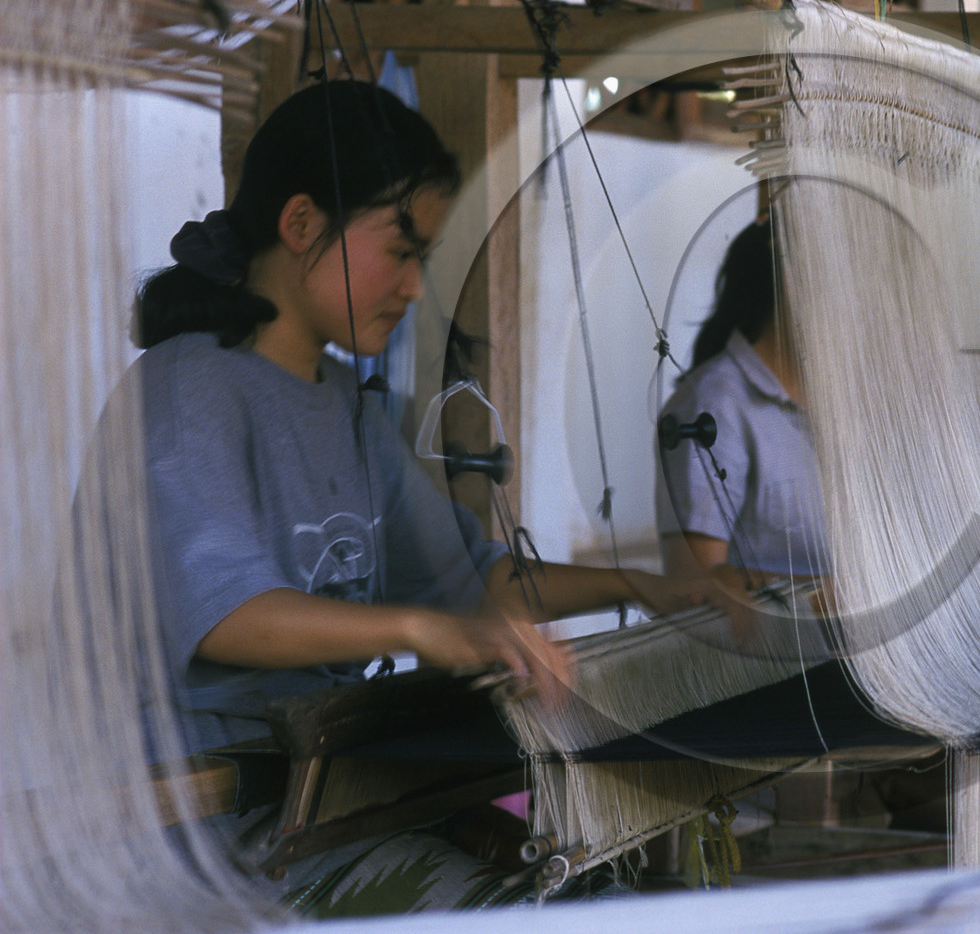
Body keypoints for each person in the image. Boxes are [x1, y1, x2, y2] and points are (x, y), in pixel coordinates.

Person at [118, 80, 741, 912]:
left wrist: (645, 586)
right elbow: (229, 616)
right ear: (300, 223)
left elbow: (471, 579)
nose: (414, 287)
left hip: (312, 804)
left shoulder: (348, 406)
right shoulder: (185, 390)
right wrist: (422, 629)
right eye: (400, 251)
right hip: (200, 827)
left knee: (603, 905)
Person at [656, 220, 827, 580]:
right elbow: (697, 586)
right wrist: (835, 598)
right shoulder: (712, 405)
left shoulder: (843, 401)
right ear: (794, 285)